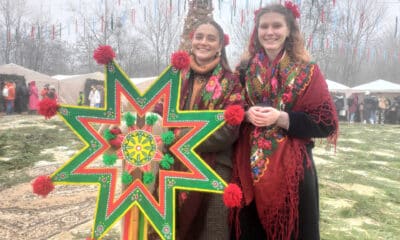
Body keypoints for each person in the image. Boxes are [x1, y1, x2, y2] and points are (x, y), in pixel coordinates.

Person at [230, 3, 338, 240]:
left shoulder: (308, 71)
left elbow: (326, 121)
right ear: (256, 31)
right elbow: (230, 108)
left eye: (277, 25)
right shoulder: (243, 70)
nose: (270, 32)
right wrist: (246, 114)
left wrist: (282, 118)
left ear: (289, 30)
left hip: (294, 175)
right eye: (264, 26)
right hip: (247, 168)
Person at [150, 20, 243, 240]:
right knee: (168, 227)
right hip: (171, 164)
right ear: (192, 42)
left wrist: (179, 138)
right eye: (199, 37)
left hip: (213, 166)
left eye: (211, 38)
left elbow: (229, 130)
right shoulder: (175, 78)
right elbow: (156, 113)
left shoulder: (231, 83)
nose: (204, 42)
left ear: (220, 46)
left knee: (211, 230)